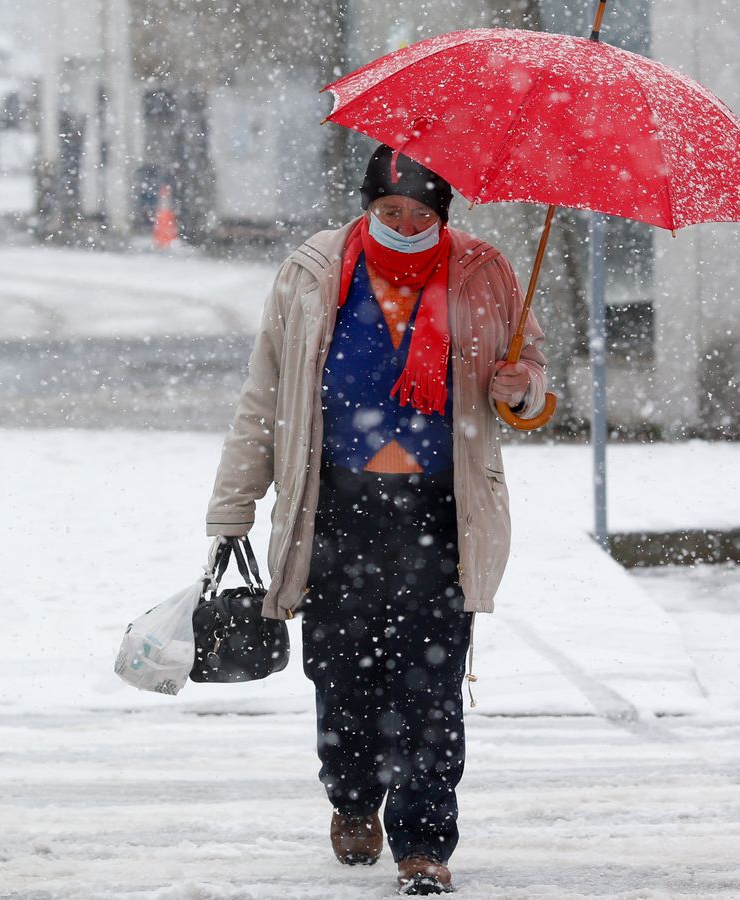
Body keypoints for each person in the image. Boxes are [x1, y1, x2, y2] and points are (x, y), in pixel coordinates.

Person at [204, 144, 547, 895]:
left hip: (439, 510)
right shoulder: (313, 273)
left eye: (421, 213)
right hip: (335, 507)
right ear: (366, 205)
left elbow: (533, 392)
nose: (404, 223)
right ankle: (354, 798)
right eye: (389, 210)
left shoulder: (482, 273)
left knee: (429, 685)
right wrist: (233, 504)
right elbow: (265, 397)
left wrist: (521, 387)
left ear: (443, 215)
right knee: (341, 673)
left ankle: (425, 841)